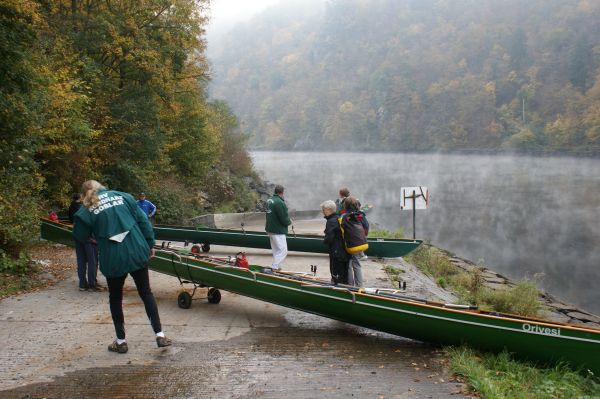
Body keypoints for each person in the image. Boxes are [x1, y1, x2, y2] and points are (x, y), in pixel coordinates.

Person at [73, 180, 171, 354]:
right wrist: (150, 244)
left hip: (112, 257)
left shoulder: (86, 209)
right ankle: (160, 335)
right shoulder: (123, 196)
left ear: (84, 193)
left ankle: (121, 341)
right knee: (146, 292)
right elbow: (144, 222)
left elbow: (80, 236)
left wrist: (96, 234)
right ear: (101, 187)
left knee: (116, 297)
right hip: (136, 250)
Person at [69, 193, 101, 292]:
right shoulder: (93, 210)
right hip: (89, 240)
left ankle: (82, 284)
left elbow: (74, 223)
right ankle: (92, 284)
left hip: (78, 238)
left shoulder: (80, 209)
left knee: (81, 261)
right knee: (92, 262)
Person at [342, 196, 368, 288]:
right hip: (360, 242)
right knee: (357, 264)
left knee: (348, 264)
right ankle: (359, 286)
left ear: (345, 206)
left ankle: (350, 285)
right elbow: (366, 227)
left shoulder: (344, 216)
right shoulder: (360, 215)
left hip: (349, 244)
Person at [321, 200, 349, 285]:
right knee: (344, 273)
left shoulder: (331, 221)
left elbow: (329, 238)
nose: (322, 211)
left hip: (336, 252)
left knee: (335, 272)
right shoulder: (339, 217)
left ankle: (336, 288)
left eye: (323, 209)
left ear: (328, 209)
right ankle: (344, 287)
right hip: (344, 251)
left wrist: (324, 241)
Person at [265, 184, 292, 271]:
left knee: (276, 250)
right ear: (282, 192)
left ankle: (277, 266)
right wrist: (289, 221)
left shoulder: (269, 200)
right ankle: (275, 266)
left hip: (270, 229)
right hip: (278, 230)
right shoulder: (280, 202)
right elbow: (283, 218)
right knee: (283, 250)